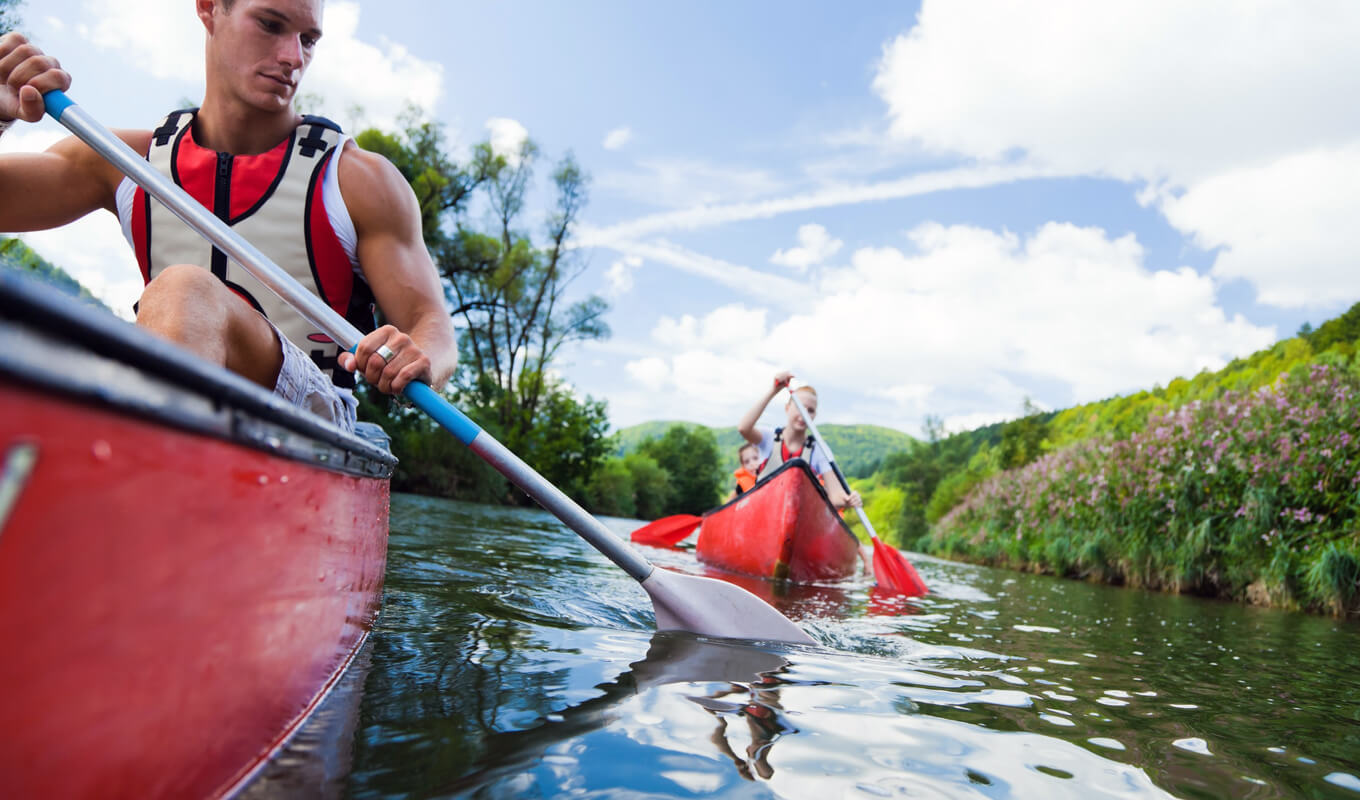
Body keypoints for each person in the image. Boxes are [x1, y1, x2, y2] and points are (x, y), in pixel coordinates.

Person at [0, 0, 457, 433]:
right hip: (165, 385)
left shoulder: (360, 180)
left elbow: (432, 326)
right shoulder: (122, 160)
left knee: (186, 289)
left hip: (313, 417)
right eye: (271, 25)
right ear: (209, 8)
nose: (292, 57)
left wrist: (418, 358)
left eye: (309, 40)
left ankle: (140, 475)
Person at [736, 370, 862, 511]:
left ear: (815, 415)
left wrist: (848, 499)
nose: (804, 414)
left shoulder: (819, 449)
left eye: (810, 410)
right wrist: (774, 390)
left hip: (796, 514)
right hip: (763, 511)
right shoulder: (769, 437)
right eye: (800, 407)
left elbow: (835, 495)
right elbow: (744, 428)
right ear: (787, 408)